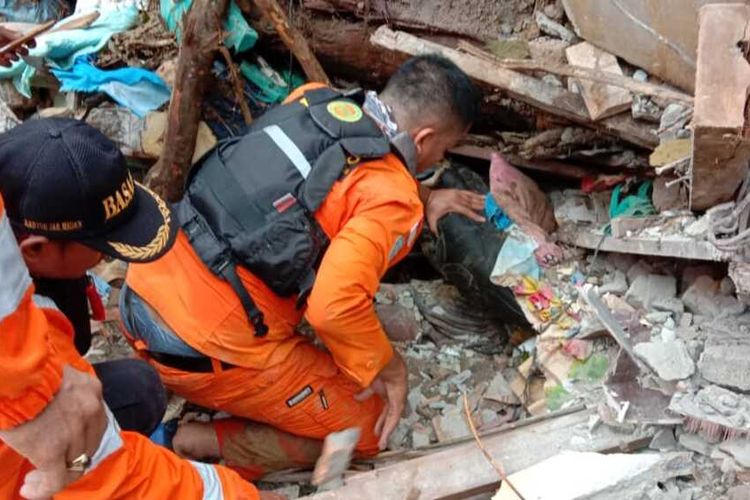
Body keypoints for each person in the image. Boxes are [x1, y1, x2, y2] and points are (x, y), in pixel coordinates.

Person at [119, 55, 484, 476]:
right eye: (445, 149)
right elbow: (333, 307)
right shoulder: (393, 200)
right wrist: (390, 367)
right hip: (204, 348)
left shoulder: (316, 101)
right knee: (371, 423)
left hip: (144, 290)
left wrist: (421, 195)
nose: (441, 158)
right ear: (424, 139)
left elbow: (324, 181)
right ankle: (197, 441)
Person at [0, 118, 262, 499]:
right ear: (36, 250)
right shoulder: (30, 360)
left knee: (138, 389)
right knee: (79, 463)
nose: (108, 257)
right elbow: (120, 475)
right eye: (103, 247)